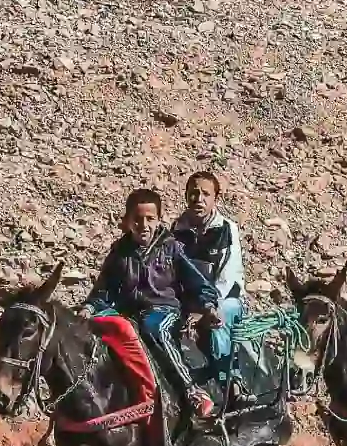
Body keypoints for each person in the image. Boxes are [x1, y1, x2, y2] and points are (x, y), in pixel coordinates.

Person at [81, 187, 221, 420]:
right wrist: (89, 308)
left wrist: (208, 306)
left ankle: (192, 390)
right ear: (127, 221)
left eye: (150, 219)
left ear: (159, 220)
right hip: (127, 313)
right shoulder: (119, 252)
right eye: (137, 219)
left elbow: (199, 283)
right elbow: (103, 289)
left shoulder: (172, 248)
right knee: (92, 329)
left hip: (163, 310)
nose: (143, 225)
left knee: (155, 328)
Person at [171, 170, 249, 403]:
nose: (199, 198)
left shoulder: (227, 229)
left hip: (224, 298)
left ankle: (232, 381)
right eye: (194, 193)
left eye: (205, 193)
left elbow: (228, 277)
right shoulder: (177, 230)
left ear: (216, 197)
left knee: (219, 320)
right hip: (192, 301)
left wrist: (206, 308)